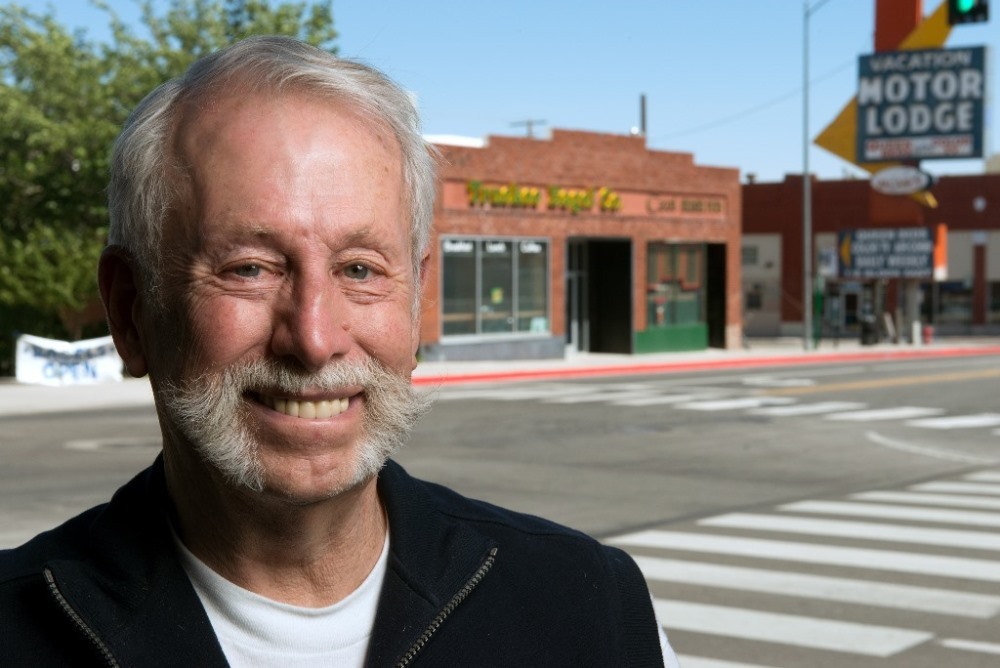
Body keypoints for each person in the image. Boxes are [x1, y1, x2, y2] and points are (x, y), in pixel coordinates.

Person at [0, 36, 678, 667]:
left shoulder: (592, 610)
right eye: (249, 268)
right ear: (130, 311)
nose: (315, 338)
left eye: (359, 269)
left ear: (416, 302)